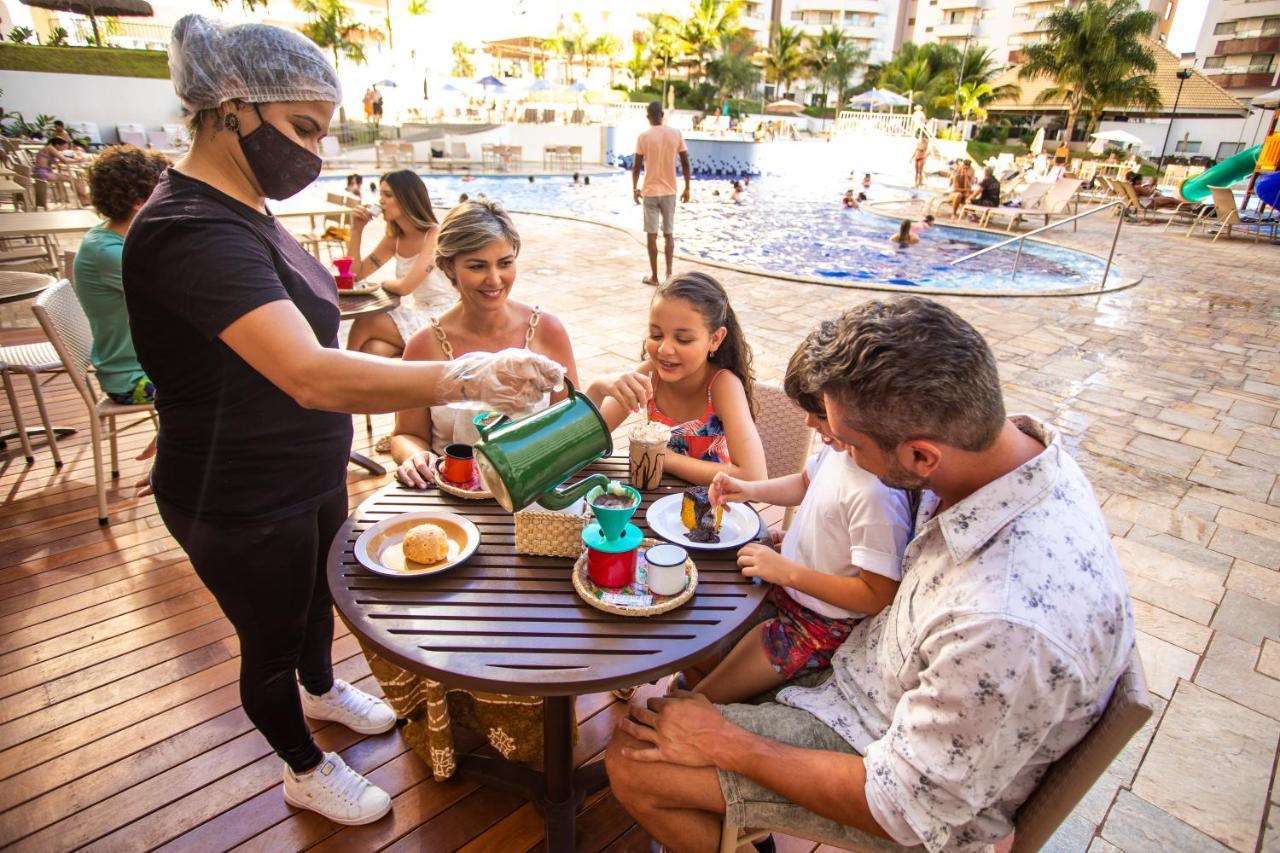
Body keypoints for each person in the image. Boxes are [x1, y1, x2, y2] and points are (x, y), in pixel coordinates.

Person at [122, 15, 564, 827]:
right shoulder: (189, 228)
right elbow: (305, 370)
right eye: (300, 129)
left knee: (316, 602)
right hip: (237, 489)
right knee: (267, 636)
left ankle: (322, 690)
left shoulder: (245, 209)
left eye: (321, 134)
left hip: (307, 469)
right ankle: (302, 764)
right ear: (230, 105)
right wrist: (463, 372)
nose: (312, 154)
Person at [605, 296, 1134, 853]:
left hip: (877, 748)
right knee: (692, 611)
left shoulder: (1007, 625)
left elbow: (902, 806)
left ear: (921, 458)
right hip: (865, 664)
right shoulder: (1007, 454)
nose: (836, 450)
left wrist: (727, 743)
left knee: (632, 758)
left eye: (849, 444)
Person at [690, 323, 912, 705]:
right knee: (695, 630)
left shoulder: (877, 494)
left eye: (820, 414)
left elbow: (878, 595)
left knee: (702, 697)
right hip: (785, 587)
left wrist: (786, 570)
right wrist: (750, 490)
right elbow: (807, 483)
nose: (810, 423)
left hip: (817, 625)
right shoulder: (843, 449)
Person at [391, 198, 578, 487]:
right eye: (477, 266)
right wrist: (415, 456)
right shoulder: (423, 345)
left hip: (535, 494)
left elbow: (570, 425)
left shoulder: (547, 330)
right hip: (454, 492)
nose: (494, 279)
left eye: (505, 263)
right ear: (449, 267)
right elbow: (407, 434)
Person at [588, 271, 766, 485]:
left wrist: (665, 458)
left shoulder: (722, 386)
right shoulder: (650, 375)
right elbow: (583, 447)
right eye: (656, 335)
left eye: (683, 339)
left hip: (710, 510)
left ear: (715, 339)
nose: (664, 349)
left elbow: (754, 477)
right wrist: (596, 390)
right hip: (653, 505)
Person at [73, 144, 170, 406]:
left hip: (149, 365)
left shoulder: (116, 236)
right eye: (167, 193)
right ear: (140, 203)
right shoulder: (109, 253)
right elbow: (182, 296)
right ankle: (183, 446)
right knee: (240, 381)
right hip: (133, 379)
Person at [346, 169, 440, 357]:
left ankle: (334, 376)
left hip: (445, 317)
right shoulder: (394, 240)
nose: (380, 201)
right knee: (372, 350)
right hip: (420, 315)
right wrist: (356, 231)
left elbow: (406, 287)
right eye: (380, 194)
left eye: (388, 195)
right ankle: (346, 379)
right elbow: (355, 275)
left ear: (408, 198)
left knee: (367, 321)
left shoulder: (435, 234)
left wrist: (382, 284)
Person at [633, 101, 691, 286]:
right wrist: (687, 187)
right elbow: (685, 163)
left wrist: (635, 188)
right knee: (669, 234)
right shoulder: (676, 134)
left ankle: (655, 277)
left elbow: (636, 167)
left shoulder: (643, 136)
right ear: (662, 114)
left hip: (650, 191)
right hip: (669, 191)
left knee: (651, 235)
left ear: (648, 116)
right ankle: (669, 275)